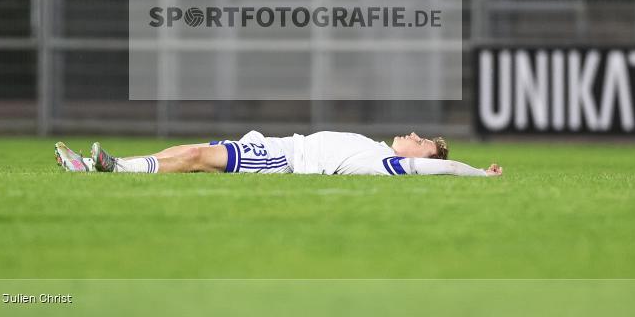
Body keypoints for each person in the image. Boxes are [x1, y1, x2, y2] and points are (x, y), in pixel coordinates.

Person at [54, 131, 503, 177]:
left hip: (280, 158)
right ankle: (113, 164)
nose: (412, 134)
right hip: (273, 145)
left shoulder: (384, 163)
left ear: (419, 158)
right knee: (192, 149)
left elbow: (443, 166)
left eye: (421, 140)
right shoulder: (376, 148)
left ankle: (113, 168)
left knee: (193, 155)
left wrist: (480, 173)